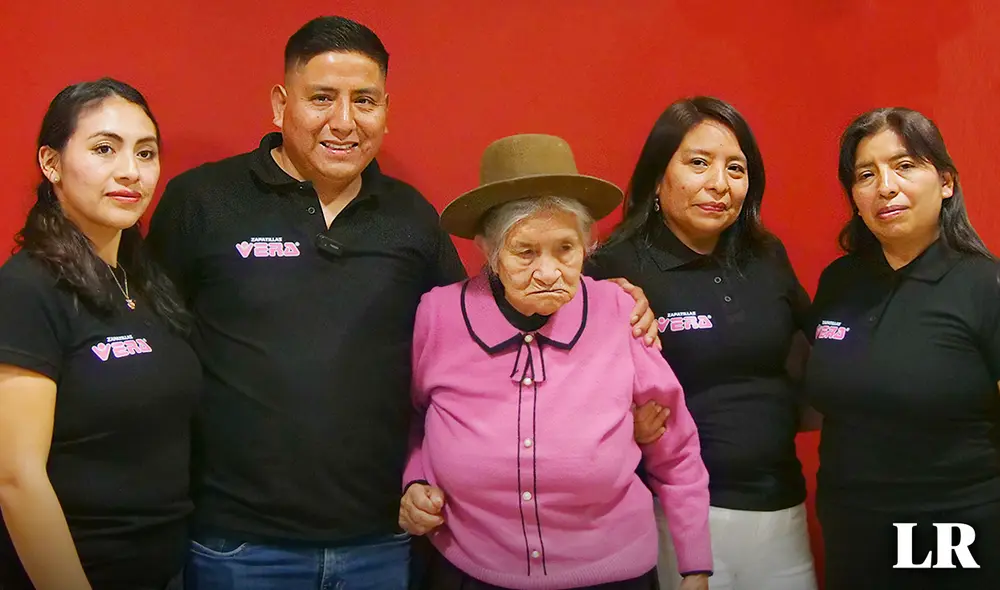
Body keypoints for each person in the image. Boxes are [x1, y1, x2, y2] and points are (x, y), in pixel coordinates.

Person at [145, 16, 659, 590]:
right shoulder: (202, 203)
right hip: (238, 544)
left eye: (364, 100)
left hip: (382, 540)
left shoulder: (412, 219)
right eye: (322, 98)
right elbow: (152, 342)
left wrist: (608, 300)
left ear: (386, 109)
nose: (344, 121)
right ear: (280, 103)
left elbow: (489, 319)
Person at [400, 133, 712, 590]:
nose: (548, 273)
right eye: (525, 251)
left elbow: (677, 451)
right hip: (472, 572)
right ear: (488, 251)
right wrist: (414, 481)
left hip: (613, 575)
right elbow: (416, 419)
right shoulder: (440, 315)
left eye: (565, 249)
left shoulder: (620, 313)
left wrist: (695, 566)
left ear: (587, 245)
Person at [587, 97, 818, 590]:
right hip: (671, 514)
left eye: (736, 168)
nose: (719, 183)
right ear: (657, 176)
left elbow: (822, 347)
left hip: (782, 506)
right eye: (698, 163)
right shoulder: (615, 268)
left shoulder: (767, 255)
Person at [0, 79, 199, 590]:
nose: (130, 171)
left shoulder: (148, 280)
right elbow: (15, 479)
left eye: (146, 152)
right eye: (104, 149)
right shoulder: (27, 288)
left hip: (165, 569)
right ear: (51, 163)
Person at [803, 107, 1000, 590]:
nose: (885, 187)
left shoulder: (983, 284)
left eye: (905, 165)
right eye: (866, 174)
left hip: (951, 529)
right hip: (852, 523)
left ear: (946, 182)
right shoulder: (839, 282)